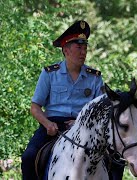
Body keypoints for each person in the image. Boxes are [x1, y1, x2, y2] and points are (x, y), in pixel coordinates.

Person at [21, 20, 105, 179]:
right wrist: (48, 124)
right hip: (53, 126)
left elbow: (101, 111)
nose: (83, 52)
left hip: (84, 128)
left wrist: (80, 123)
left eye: (85, 47)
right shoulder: (49, 73)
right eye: (78, 47)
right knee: (28, 158)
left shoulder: (95, 77)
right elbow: (35, 107)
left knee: (114, 159)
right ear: (65, 50)